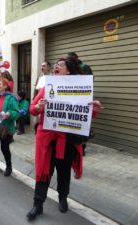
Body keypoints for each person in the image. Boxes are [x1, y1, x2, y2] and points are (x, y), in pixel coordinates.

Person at [26, 57, 103, 221]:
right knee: (43, 173)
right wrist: (38, 107)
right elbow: (32, 108)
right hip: (48, 141)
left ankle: (62, 198)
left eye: (60, 65)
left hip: (67, 141)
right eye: (55, 65)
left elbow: (84, 115)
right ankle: (37, 205)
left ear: (68, 70)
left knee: (64, 172)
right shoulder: (48, 87)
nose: (56, 67)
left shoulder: (80, 88)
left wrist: (94, 110)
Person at [0, 78, 19, 176]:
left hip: (5, 128)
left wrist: (9, 114)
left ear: (5, 86)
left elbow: (16, 112)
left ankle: (9, 167)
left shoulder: (10, 98)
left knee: (4, 148)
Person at [33, 61, 52, 133]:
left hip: (48, 103)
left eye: (44, 66)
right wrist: (34, 99)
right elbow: (36, 89)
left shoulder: (53, 77)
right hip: (39, 103)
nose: (42, 68)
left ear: (49, 67)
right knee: (39, 120)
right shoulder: (40, 78)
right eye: (41, 66)